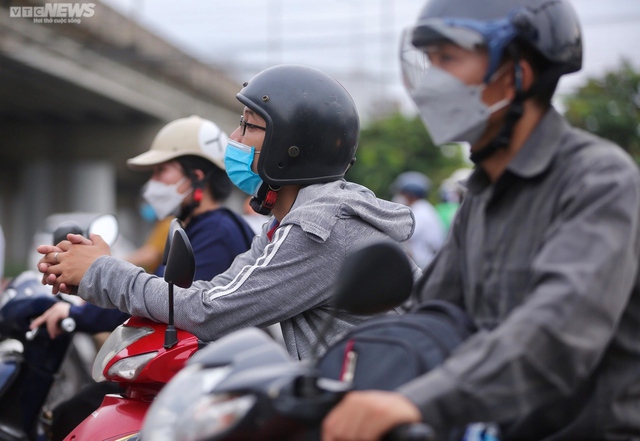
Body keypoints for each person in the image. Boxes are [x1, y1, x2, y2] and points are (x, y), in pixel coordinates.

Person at [322, 0, 640, 440]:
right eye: (427, 61)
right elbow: (433, 310)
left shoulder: (598, 179)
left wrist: (416, 401)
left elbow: (557, 334)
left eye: (448, 59)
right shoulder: (483, 193)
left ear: (517, 74)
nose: (431, 81)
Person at [37, 64, 418, 361]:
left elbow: (208, 312)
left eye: (247, 128)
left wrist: (101, 271)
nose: (233, 140)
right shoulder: (281, 226)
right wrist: (90, 275)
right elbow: (217, 292)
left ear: (290, 149)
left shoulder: (321, 228)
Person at [33, 115, 255, 441]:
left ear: (196, 177)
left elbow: (165, 300)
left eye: (161, 171)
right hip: (184, 379)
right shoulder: (196, 227)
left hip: (201, 386)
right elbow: (150, 291)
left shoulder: (215, 231)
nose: (153, 183)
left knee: (82, 410)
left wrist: (78, 308)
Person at [391, 171, 445, 268]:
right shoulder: (423, 208)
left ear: (411, 195)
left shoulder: (420, 212)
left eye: (402, 193)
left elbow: (400, 234)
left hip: (423, 266)